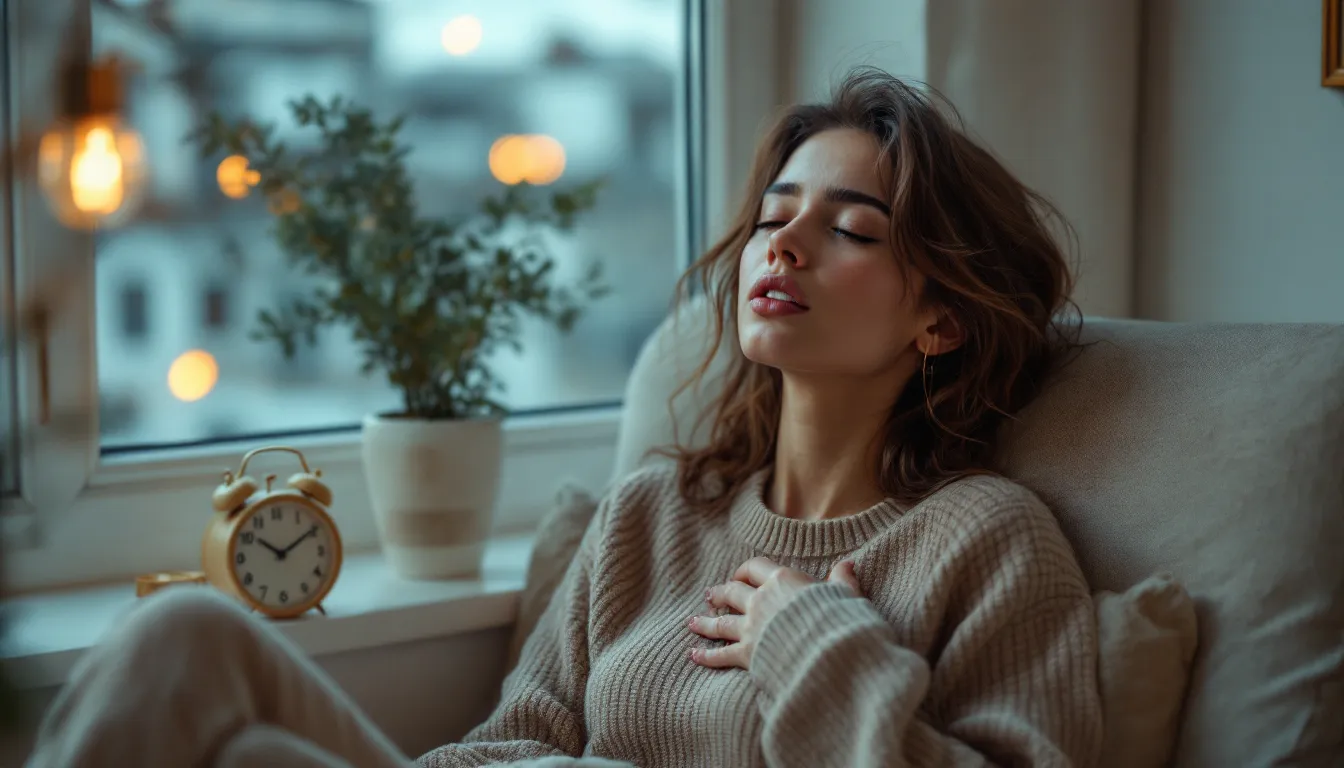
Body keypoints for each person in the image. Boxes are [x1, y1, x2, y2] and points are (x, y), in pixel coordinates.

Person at [25, 67, 1101, 768]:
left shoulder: (990, 543)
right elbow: (511, 741)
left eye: (851, 230)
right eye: (776, 217)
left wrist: (810, 643)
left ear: (942, 321)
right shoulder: (653, 517)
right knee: (185, 636)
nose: (784, 245)